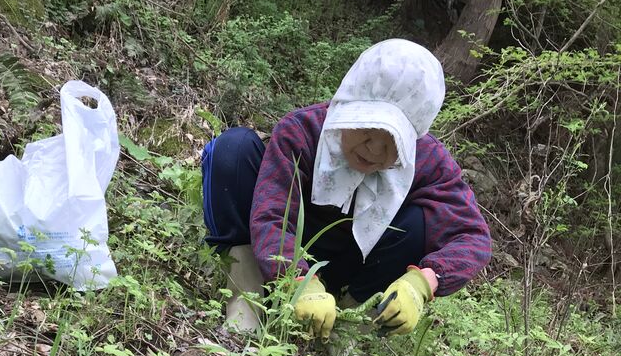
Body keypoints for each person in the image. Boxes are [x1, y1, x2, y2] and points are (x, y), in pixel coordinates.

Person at [201, 39, 492, 339]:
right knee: (232, 150)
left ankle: (350, 325)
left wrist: (424, 282)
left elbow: (473, 236)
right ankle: (246, 300)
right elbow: (272, 213)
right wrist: (298, 278)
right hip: (286, 248)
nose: (375, 149)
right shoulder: (303, 131)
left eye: (394, 141)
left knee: (419, 222)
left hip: (354, 264)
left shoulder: (428, 160)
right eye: (367, 127)